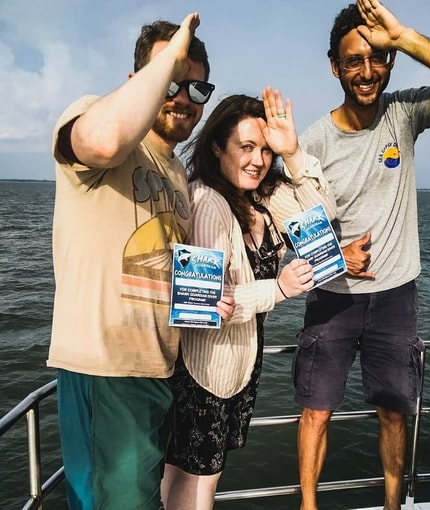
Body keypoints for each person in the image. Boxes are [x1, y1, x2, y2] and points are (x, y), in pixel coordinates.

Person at [293, 1, 430, 509]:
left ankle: (392, 505)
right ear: (334, 67)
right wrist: (335, 256)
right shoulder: (312, 143)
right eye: (353, 61)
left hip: (395, 297)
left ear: (389, 62)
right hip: (332, 296)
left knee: (393, 411)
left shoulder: (403, 113)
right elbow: (292, 235)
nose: (367, 72)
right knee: (316, 412)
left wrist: (404, 36)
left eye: (377, 58)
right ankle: (308, 505)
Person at [48, 14, 233, 510]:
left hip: (156, 370)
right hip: (106, 367)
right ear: (139, 82)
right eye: (171, 80)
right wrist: (169, 59)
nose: (182, 97)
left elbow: (167, 269)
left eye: (197, 88)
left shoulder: (175, 172)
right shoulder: (95, 116)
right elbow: (104, 141)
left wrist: (208, 301)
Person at [160, 88, 336, 510]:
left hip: (238, 365)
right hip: (203, 369)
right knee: (192, 481)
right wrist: (277, 289)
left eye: (264, 149)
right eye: (245, 147)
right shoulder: (206, 202)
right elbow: (201, 307)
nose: (257, 160)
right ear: (217, 147)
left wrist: (292, 153)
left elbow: (323, 219)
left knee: (206, 475)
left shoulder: (262, 196)